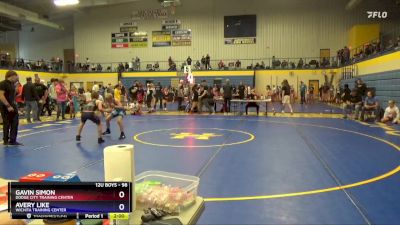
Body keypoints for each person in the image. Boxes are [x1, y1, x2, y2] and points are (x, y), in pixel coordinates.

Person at [0, 70, 22, 145]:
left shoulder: (12, 84)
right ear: (12, 76)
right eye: (16, 76)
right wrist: (8, 106)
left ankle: (12, 140)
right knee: (7, 123)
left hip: (12, 105)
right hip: (6, 106)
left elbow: (12, 96)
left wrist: (16, 89)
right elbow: (1, 95)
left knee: (15, 123)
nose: (17, 78)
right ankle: (5, 140)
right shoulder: (3, 83)